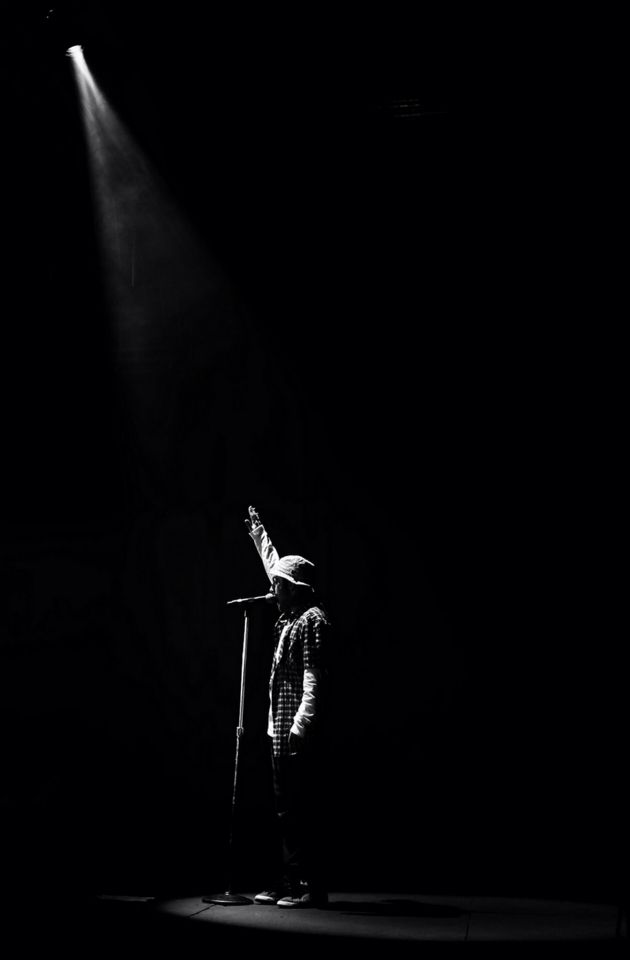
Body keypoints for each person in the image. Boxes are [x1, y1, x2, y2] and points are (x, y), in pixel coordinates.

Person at [244, 504, 331, 909]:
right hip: (278, 729)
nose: (273, 588)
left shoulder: (311, 619)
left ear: (295, 588)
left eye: (280, 585)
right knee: (284, 812)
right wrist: (260, 535)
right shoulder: (289, 616)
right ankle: (291, 877)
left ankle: (309, 885)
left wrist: (301, 726)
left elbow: (315, 678)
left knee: (301, 809)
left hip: (297, 732)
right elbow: (276, 567)